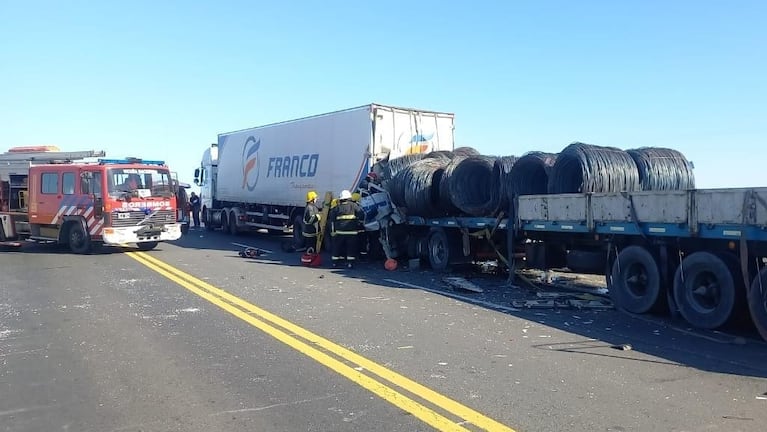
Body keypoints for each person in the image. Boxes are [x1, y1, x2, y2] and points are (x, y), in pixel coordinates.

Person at [329, 189, 365, 268]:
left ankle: (334, 262)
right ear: (349, 197)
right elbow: (361, 214)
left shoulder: (336, 208)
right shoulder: (354, 205)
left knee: (337, 247)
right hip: (352, 232)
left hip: (339, 232)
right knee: (351, 248)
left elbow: (332, 220)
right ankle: (350, 263)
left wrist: (333, 231)